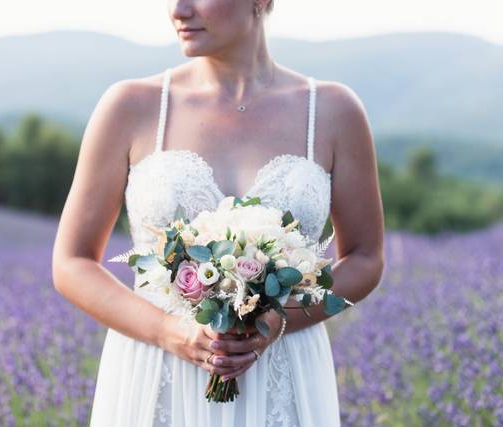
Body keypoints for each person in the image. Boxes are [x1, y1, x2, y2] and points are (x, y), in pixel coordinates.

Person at [52, 0, 384, 425]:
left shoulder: (334, 110)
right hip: (158, 372)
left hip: (282, 373)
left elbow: (365, 258)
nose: (178, 9)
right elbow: (72, 263)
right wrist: (171, 333)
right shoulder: (129, 106)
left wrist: (272, 326)